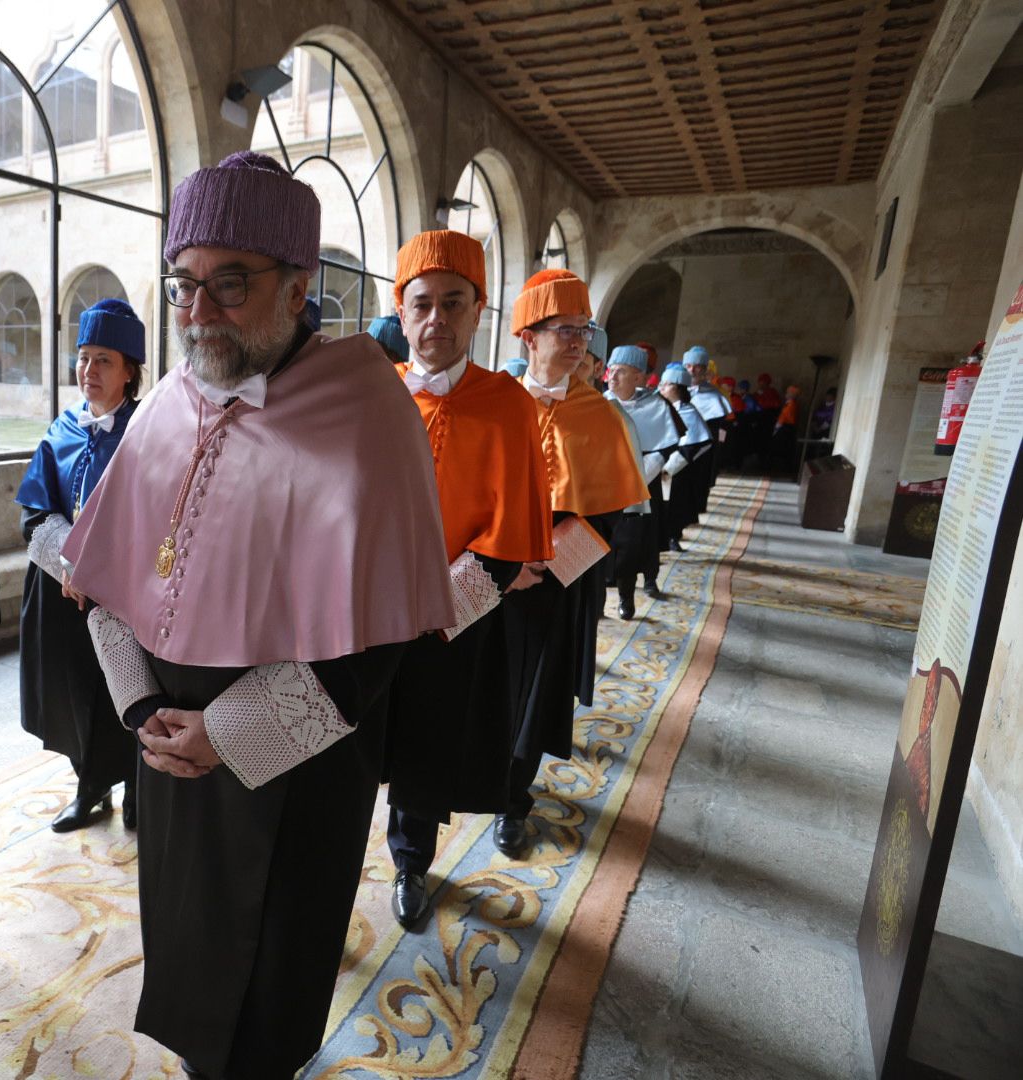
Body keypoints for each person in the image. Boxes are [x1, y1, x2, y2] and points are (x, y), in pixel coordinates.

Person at [60, 151, 453, 1079]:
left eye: (229, 284)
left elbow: (381, 636)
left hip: (293, 763)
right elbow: (105, 581)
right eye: (184, 285)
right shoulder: (163, 404)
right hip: (169, 756)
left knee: (269, 1002)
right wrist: (137, 710)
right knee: (191, 966)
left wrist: (228, 733)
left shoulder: (367, 409)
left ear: (297, 284)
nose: (198, 311)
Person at [379, 230, 555, 930]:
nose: (436, 320)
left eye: (454, 303)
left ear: (479, 309)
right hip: (362, 609)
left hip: (453, 616)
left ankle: (409, 861)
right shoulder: (375, 396)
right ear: (400, 310)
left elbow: (509, 540)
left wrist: (434, 607)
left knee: (425, 745)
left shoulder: (507, 403)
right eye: (422, 304)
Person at [494, 269, 649, 856]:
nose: (579, 341)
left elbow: (608, 516)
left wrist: (548, 563)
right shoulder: (497, 403)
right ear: (528, 337)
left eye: (584, 330)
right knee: (478, 691)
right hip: (486, 574)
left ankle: (513, 801)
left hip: (557, 582)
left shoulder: (602, 416)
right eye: (566, 330)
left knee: (535, 696)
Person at [16, 298, 147, 832]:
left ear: (130, 371)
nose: (88, 371)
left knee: (127, 689)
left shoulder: (147, 432)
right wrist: (68, 562)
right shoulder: (63, 428)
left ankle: (141, 785)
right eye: (83, 358)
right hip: (61, 588)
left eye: (103, 361)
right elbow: (34, 508)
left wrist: (98, 569)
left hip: (123, 594)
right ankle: (89, 785)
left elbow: (158, 515)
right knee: (72, 693)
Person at [605, 345, 687, 618]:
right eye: (611, 370)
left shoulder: (655, 406)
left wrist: (635, 479)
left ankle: (626, 598)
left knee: (629, 546)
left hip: (638, 486)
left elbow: (663, 449)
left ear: (639, 378)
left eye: (621, 372)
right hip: (600, 484)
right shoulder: (597, 402)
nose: (612, 377)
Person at [657, 363, 714, 551]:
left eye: (666, 384)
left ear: (677, 387)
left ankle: (672, 536)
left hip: (676, 470)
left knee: (675, 505)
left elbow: (694, 444)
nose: (661, 388)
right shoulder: (664, 408)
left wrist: (668, 467)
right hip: (658, 466)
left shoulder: (687, 412)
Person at [682, 345, 731, 501]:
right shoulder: (673, 389)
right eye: (688, 366)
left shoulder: (714, 396)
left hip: (700, 451)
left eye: (697, 367)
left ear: (704, 370)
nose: (692, 370)